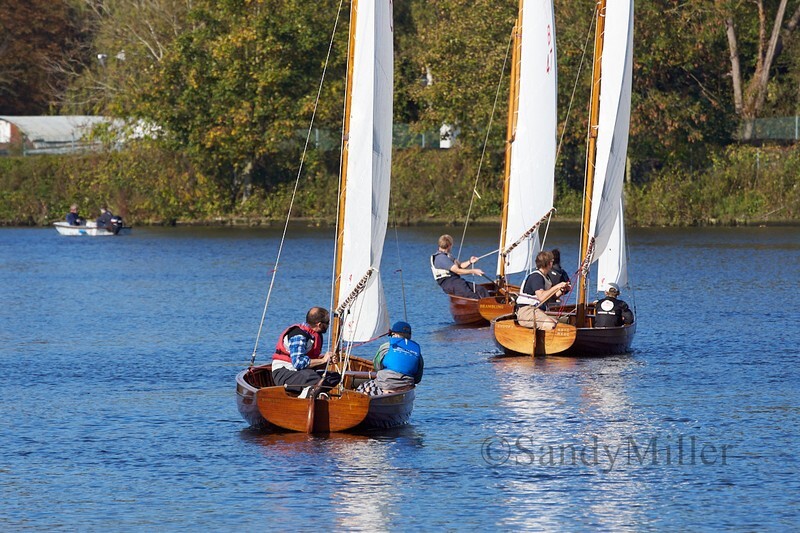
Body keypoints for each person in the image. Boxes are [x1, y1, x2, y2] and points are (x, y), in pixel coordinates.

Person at [271, 307, 341, 397]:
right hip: (283, 373)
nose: (329, 325)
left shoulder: (315, 335)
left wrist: (328, 361)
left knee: (334, 377)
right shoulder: (298, 336)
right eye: (327, 322)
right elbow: (298, 363)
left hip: (301, 373)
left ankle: (313, 392)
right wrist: (323, 360)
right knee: (314, 378)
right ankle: (305, 397)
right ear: (319, 324)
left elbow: (309, 362)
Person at [357, 321, 423, 396]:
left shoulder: (386, 347)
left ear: (394, 334)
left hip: (385, 386)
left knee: (362, 388)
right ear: (409, 336)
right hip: (406, 388)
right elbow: (418, 379)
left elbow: (377, 366)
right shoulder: (417, 353)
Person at [515, 250, 571, 330]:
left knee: (560, 323)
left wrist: (562, 290)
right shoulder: (536, 277)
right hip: (526, 311)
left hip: (537, 310)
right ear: (549, 263)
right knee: (551, 325)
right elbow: (541, 297)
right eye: (551, 261)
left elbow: (551, 297)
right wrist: (557, 286)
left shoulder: (546, 277)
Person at [430, 234, 490, 299]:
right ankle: (483, 304)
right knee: (473, 297)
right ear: (450, 245)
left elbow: (460, 266)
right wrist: (474, 271)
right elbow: (457, 271)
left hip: (457, 281)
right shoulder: (441, 258)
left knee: (481, 289)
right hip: (450, 283)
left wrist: (470, 261)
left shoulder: (448, 256)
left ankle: (490, 304)